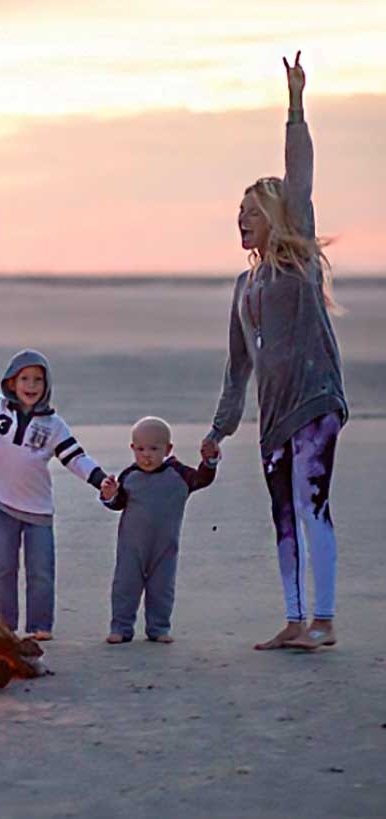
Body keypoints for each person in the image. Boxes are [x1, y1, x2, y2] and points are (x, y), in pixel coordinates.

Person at [200, 53, 348, 651]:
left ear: (275, 219)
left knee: (312, 502)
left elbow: (300, 175)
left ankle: (326, 620)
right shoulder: (243, 288)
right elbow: (238, 368)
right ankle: (294, 619)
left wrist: (295, 107)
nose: (241, 221)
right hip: (273, 417)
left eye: (251, 213)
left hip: (315, 401)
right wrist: (218, 430)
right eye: (238, 214)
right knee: (282, 514)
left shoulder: (299, 260)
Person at [0, 349, 106, 640]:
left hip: (38, 511)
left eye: (38, 380)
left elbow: (77, 458)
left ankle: (41, 626)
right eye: (24, 378)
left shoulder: (54, 426)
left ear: (46, 386)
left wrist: (101, 480)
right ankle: (4, 622)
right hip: (2, 505)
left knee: (40, 572)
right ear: (11, 383)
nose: (31, 385)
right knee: (3, 569)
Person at [100, 417, 217, 644]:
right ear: (132, 449)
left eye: (154, 449)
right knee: (125, 586)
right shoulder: (129, 476)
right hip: (131, 548)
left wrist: (209, 463)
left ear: (168, 449)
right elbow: (118, 503)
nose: (147, 455)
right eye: (141, 449)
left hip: (165, 548)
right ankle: (121, 627)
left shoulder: (179, 474)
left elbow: (202, 479)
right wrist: (109, 494)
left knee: (162, 589)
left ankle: (158, 627)